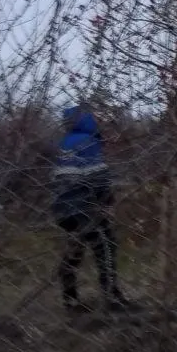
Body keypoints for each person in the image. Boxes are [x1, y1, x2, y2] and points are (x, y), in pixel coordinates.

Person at [52, 106, 130, 312]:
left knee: (74, 249)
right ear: (85, 120)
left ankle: (70, 300)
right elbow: (96, 175)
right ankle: (112, 299)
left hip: (63, 208)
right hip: (85, 206)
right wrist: (107, 201)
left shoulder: (64, 143)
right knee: (105, 245)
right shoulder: (88, 142)